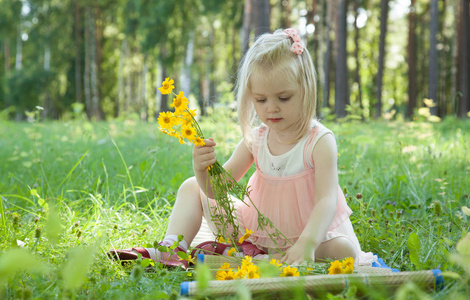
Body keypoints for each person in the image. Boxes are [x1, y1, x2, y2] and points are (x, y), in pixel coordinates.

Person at [110, 28, 376, 269]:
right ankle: (172, 250)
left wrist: (306, 243)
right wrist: (202, 170)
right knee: (191, 187)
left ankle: (273, 257)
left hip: (312, 237)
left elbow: (326, 201)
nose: (271, 108)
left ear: (306, 89)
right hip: (257, 233)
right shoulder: (257, 138)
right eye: (261, 99)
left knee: (345, 251)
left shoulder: (319, 141)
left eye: (283, 98)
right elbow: (218, 189)